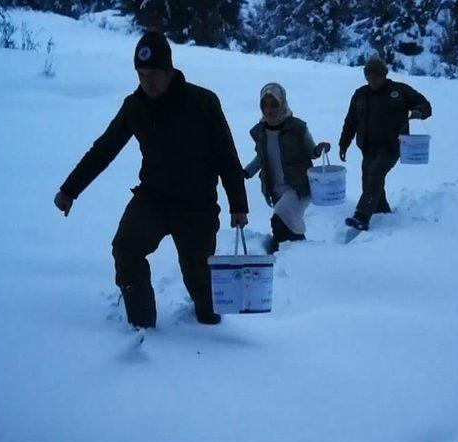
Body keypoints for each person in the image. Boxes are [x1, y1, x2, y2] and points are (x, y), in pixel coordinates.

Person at [54, 31, 248, 329]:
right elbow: (104, 149)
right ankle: (142, 326)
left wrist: (239, 204)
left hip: (197, 206)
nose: (147, 81)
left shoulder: (203, 102)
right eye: (141, 74)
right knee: (126, 249)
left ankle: (210, 329)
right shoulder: (135, 106)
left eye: (154, 74)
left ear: (170, 70)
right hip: (153, 198)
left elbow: (227, 157)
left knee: (200, 282)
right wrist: (70, 189)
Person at [339, 55, 432, 232]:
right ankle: (381, 210)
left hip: (392, 146)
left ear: (384, 75)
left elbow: (425, 104)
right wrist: (343, 144)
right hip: (367, 146)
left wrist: (419, 111)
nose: (373, 79)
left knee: (375, 174)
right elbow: (350, 122)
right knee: (369, 180)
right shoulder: (360, 95)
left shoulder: (399, 91)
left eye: (377, 75)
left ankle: (362, 216)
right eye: (369, 75)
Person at [244, 83, 331, 253]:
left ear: (282, 103)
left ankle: (280, 256)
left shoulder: (297, 127)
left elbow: (311, 151)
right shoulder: (261, 132)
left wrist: (319, 149)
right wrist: (246, 172)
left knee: (279, 218)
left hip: (297, 187)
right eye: (265, 105)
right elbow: (261, 158)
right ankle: (303, 253)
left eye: (274, 104)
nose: (269, 110)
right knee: (288, 225)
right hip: (274, 188)